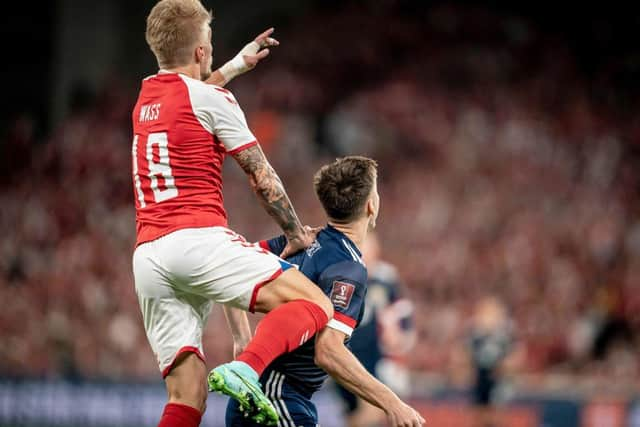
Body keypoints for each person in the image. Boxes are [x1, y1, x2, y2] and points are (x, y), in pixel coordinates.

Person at [132, 1, 335, 427]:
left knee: (188, 393)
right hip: (198, 240)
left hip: (149, 257)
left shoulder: (146, 96)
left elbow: (193, 96)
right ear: (202, 52)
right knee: (316, 302)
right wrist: (296, 233)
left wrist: (236, 66)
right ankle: (249, 366)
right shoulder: (213, 99)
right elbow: (262, 178)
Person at [226, 156, 425, 427]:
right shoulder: (349, 268)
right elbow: (328, 351)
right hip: (277, 400)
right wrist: (393, 404)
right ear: (372, 204)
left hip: (262, 396)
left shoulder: (300, 241)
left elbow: (230, 267)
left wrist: (242, 341)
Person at [335, 231, 416, 427]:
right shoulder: (341, 276)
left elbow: (402, 311)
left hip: (374, 355)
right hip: (345, 352)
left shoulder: (385, 278)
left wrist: (401, 336)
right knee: (352, 414)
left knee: (371, 411)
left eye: (368, 246)